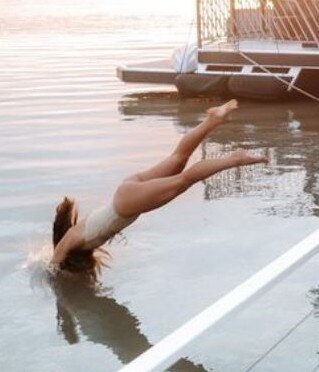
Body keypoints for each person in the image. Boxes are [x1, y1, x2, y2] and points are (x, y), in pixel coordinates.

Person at [50, 99, 267, 273]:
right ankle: (212, 120)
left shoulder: (71, 241)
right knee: (178, 159)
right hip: (127, 191)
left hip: (126, 203)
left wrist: (50, 273)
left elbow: (54, 262)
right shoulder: (81, 241)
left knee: (185, 180)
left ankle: (234, 159)